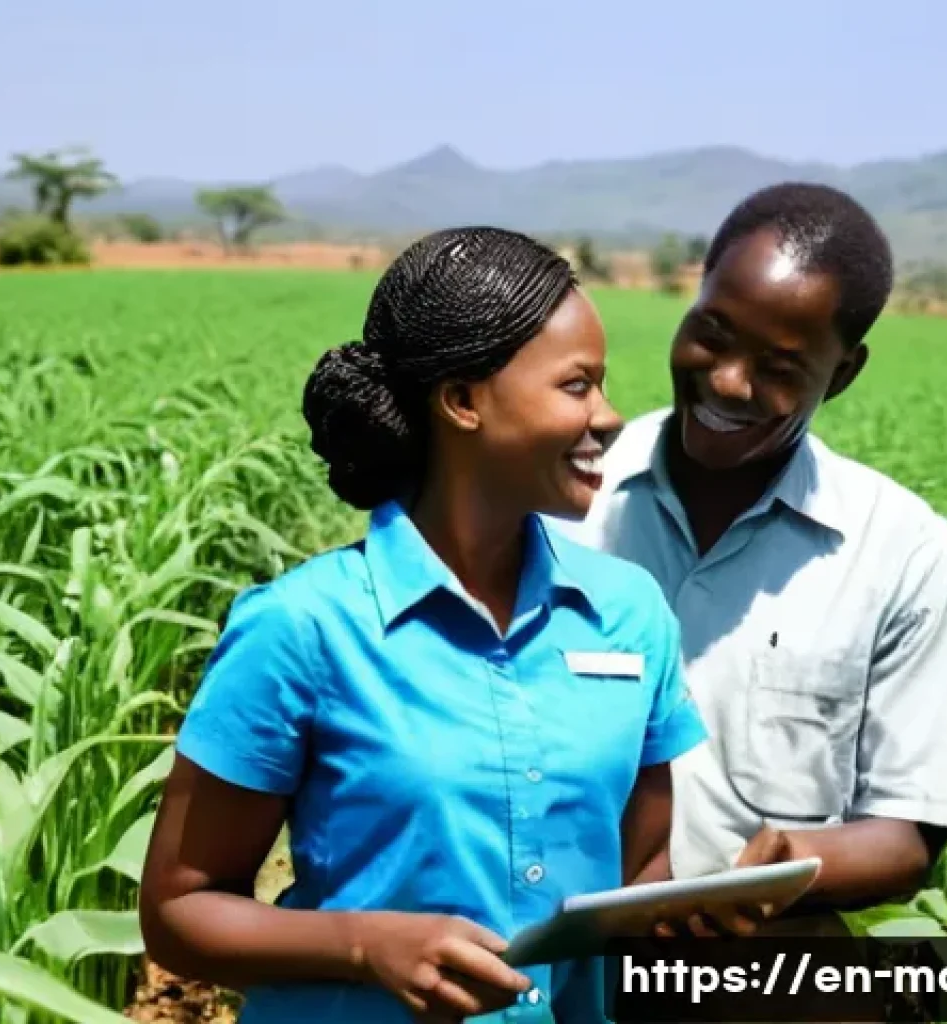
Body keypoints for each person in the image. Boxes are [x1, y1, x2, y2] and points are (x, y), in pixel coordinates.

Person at [138, 225, 709, 1022]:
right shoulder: (302, 629)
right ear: (463, 401)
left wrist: (679, 922)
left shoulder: (628, 614)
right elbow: (178, 912)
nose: (609, 418)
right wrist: (367, 947)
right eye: (577, 386)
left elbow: (642, 867)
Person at [555, 183, 947, 935]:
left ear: (842, 374)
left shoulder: (902, 552)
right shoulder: (560, 493)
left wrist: (794, 861)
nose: (726, 381)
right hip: (536, 956)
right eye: (712, 334)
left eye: (780, 367)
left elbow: (910, 831)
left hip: (749, 969)